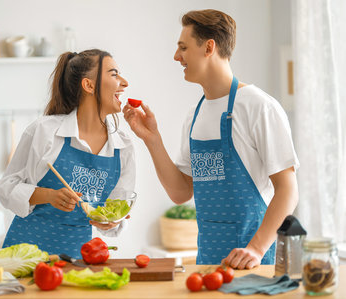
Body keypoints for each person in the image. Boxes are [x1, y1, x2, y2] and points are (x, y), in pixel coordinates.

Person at [123, 9, 299, 269]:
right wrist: (152, 138)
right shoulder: (195, 115)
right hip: (207, 263)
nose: (176, 56)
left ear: (209, 47)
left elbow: (288, 190)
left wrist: (255, 249)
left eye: (183, 47)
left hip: (255, 262)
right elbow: (181, 192)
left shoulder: (259, 107)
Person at [0, 49, 135, 258]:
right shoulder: (45, 131)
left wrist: (111, 220)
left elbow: (116, 210)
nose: (124, 83)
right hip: (24, 256)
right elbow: (5, 188)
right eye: (114, 74)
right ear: (89, 85)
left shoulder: (122, 148)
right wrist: (48, 196)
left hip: (77, 259)